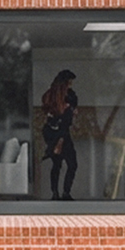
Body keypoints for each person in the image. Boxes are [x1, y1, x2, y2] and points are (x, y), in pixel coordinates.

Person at [40, 69, 79, 201]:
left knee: (57, 164)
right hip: (58, 132)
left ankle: (56, 193)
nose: (71, 85)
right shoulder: (64, 98)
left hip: (52, 131)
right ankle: (63, 192)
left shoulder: (50, 96)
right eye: (69, 83)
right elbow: (65, 122)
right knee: (70, 164)